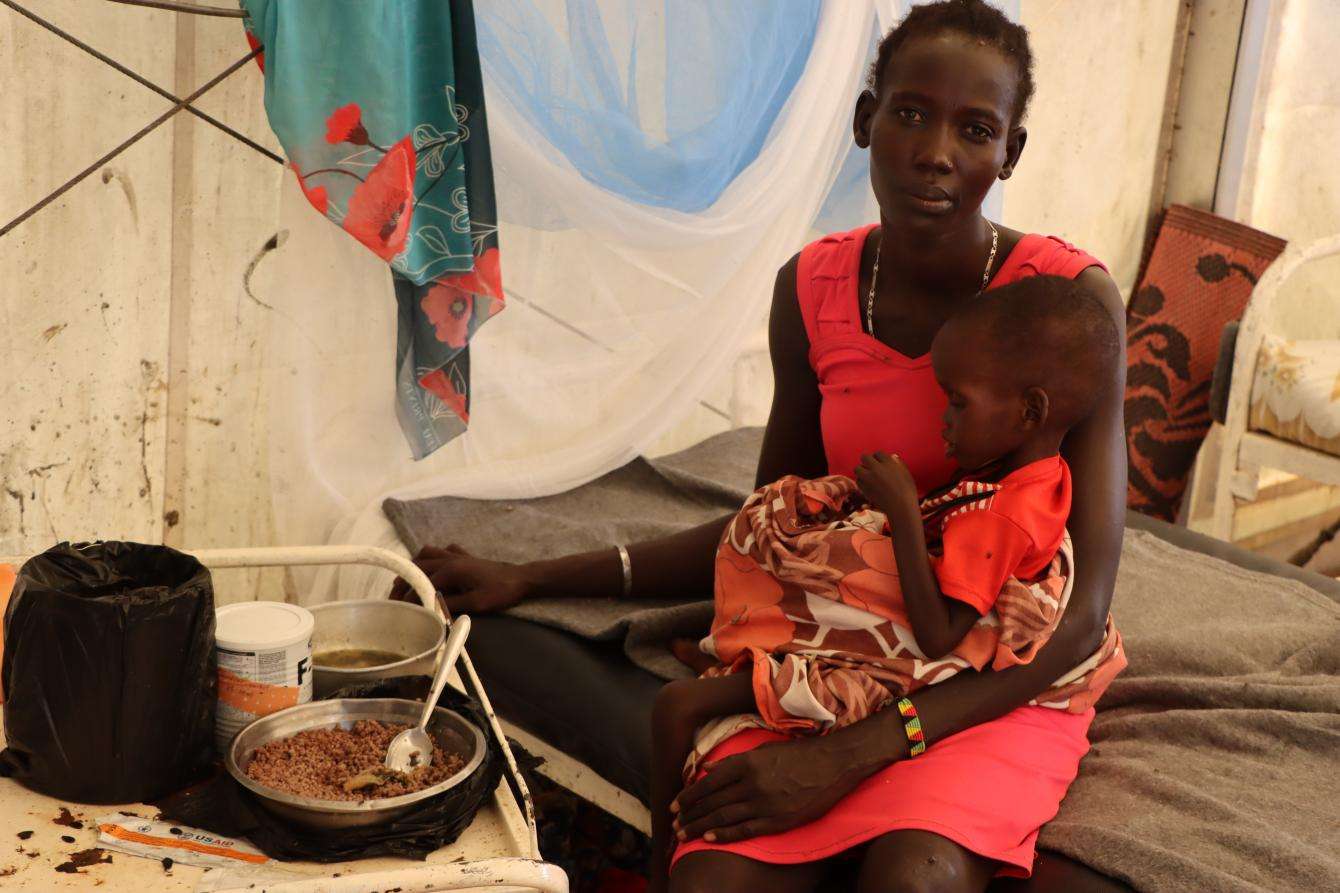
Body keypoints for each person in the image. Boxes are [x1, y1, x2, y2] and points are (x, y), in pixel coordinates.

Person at [399, 2, 1128, 889]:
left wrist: (856, 751)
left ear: (1009, 152)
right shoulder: (815, 289)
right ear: (865, 121)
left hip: (982, 681)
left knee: (913, 875)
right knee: (714, 877)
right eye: (909, 113)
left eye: (975, 129)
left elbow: (1080, 614)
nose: (936, 150)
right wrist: (538, 576)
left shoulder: (1064, 309)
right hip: (837, 647)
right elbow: (776, 528)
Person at [644, 276, 1124, 891]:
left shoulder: (1002, 516)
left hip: (945, 686)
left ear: (1030, 410)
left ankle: (658, 860)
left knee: (681, 704)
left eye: (956, 402)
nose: (941, 421)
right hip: (920, 672)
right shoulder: (1027, 480)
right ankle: (748, 648)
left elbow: (937, 635)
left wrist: (900, 510)